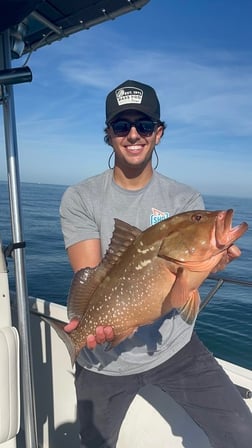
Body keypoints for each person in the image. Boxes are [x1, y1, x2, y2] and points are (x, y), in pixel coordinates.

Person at [60, 80, 252, 448]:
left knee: (242, 433)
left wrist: (210, 262)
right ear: (109, 135)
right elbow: (91, 273)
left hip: (175, 348)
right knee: (94, 443)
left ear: (158, 133)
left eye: (144, 125)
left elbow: (181, 290)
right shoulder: (80, 197)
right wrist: (89, 330)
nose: (134, 134)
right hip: (103, 359)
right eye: (122, 126)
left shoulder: (185, 198)